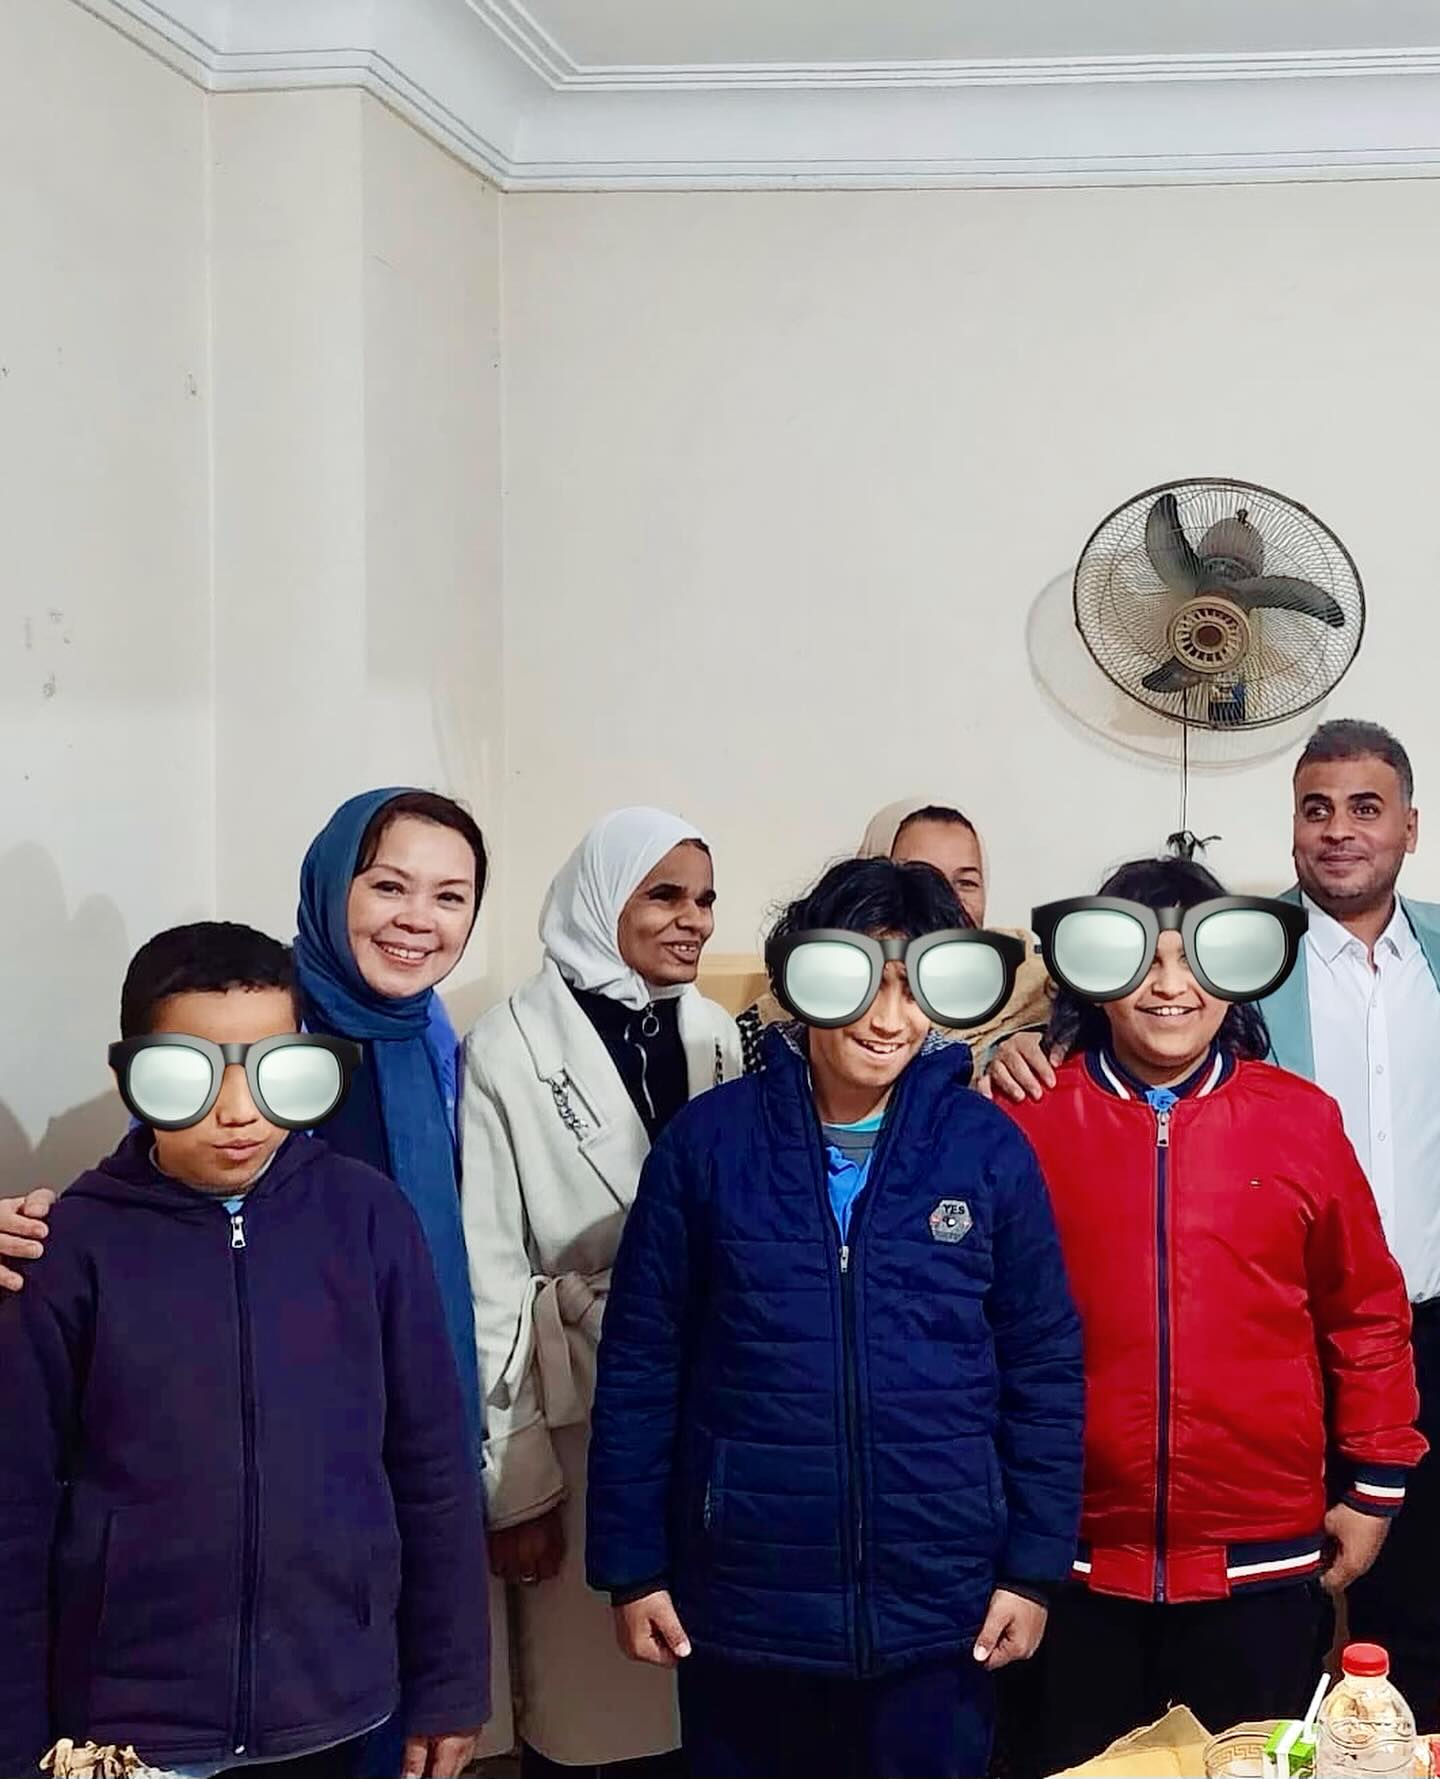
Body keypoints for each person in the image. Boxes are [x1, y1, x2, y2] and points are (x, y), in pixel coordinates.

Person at [0, 787, 493, 1779]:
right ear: (133, 1073)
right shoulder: (72, 1247)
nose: (237, 1110)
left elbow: (431, 1465)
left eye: (272, 1069)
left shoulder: (368, 1217)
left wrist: (450, 1678)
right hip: (132, 1717)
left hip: (338, 1694)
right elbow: (14, 1509)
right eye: (192, 1073)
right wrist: (17, 1738)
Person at [982, 719, 1440, 1730]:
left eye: (1196, 957)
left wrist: (1372, 1486)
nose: (1168, 983)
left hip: (1261, 1553)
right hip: (1069, 1549)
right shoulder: (1026, 1118)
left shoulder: (1298, 1119)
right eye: (1139, 957)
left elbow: (1365, 1311)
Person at [586, 857, 1085, 1779]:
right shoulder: (707, 1146)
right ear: (802, 972)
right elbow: (641, 1363)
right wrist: (633, 1566)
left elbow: (1043, 1367)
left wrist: (1032, 1569)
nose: (888, 1016)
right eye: (858, 976)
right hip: (745, 1608)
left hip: (942, 1610)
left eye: (914, 983)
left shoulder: (988, 1151)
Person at [461, 807, 743, 1778]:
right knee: (593, 1714)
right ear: (600, 897)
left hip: (707, 1389)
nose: (693, 919)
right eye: (665, 895)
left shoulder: (714, 1034)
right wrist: (516, 1484)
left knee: (704, 1701)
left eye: (705, 898)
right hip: (574, 1398)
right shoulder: (506, 1047)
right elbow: (490, 1276)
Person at [734, 798, 1050, 1073]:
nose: (947, 900)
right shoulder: (775, 1024)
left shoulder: (1033, 990)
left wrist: (1044, 1040)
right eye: (922, 875)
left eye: (966, 882)